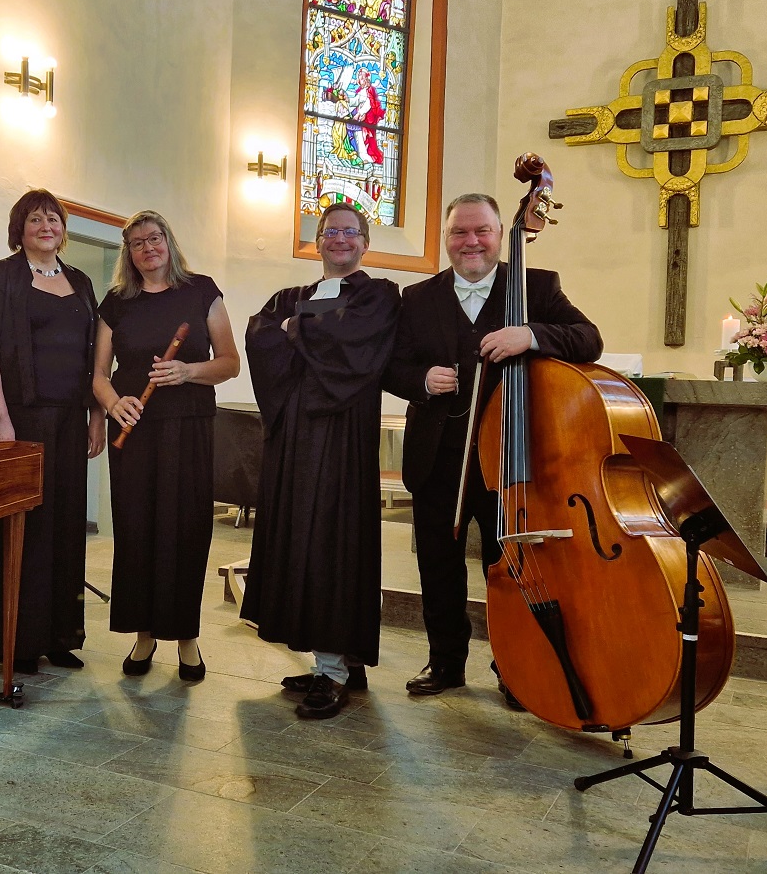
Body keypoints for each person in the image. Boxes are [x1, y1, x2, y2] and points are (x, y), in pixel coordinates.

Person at [382, 193, 602, 704]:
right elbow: (390, 365)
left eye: (482, 231)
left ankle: (514, 667)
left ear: (501, 235)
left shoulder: (536, 286)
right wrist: (420, 379)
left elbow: (588, 339)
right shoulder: (417, 298)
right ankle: (445, 662)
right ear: (446, 239)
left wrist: (530, 334)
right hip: (438, 460)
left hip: (512, 461)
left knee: (510, 571)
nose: (471, 241)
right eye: (460, 232)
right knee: (437, 566)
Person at [240, 202, 400, 720]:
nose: (340, 240)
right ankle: (330, 661)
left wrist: (296, 331)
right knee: (299, 542)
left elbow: (354, 344)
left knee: (333, 542)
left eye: (350, 232)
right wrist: (304, 327)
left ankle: (335, 669)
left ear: (364, 242)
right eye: (330, 232)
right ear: (317, 241)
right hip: (294, 437)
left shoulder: (379, 295)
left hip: (343, 437)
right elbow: (258, 335)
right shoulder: (293, 296)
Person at [93, 211, 239, 682]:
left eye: (155, 238)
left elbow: (230, 362)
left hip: (189, 427)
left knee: (185, 530)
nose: (148, 248)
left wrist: (188, 372)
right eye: (137, 243)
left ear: (169, 242)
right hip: (134, 430)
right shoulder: (117, 302)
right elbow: (97, 374)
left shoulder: (201, 290)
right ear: (128, 253)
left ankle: (186, 637)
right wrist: (114, 403)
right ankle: (143, 635)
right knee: (137, 530)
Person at [0, 189, 104, 674]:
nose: (46, 226)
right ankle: (18, 640)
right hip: (20, 419)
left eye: (54, 218)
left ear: (64, 228)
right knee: (20, 527)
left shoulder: (82, 281)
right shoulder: (2, 276)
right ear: (19, 228)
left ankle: (60, 635)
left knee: (67, 526)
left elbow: (96, 357)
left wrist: (96, 415)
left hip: (71, 418)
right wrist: (0, 418)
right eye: (35, 219)